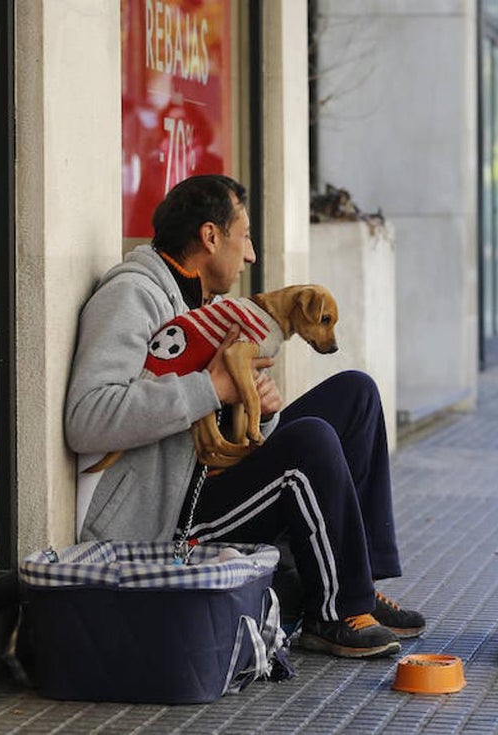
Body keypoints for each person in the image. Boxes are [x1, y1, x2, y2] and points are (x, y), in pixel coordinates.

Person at [65, 174, 424, 659]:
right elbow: (86, 418)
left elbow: (227, 417)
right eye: (246, 236)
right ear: (211, 237)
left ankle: (359, 581)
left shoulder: (206, 307)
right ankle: (335, 612)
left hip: (208, 475)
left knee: (355, 395)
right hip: (167, 520)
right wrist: (212, 388)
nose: (252, 254)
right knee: (311, 442)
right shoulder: (131, 296)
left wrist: (263, 410)